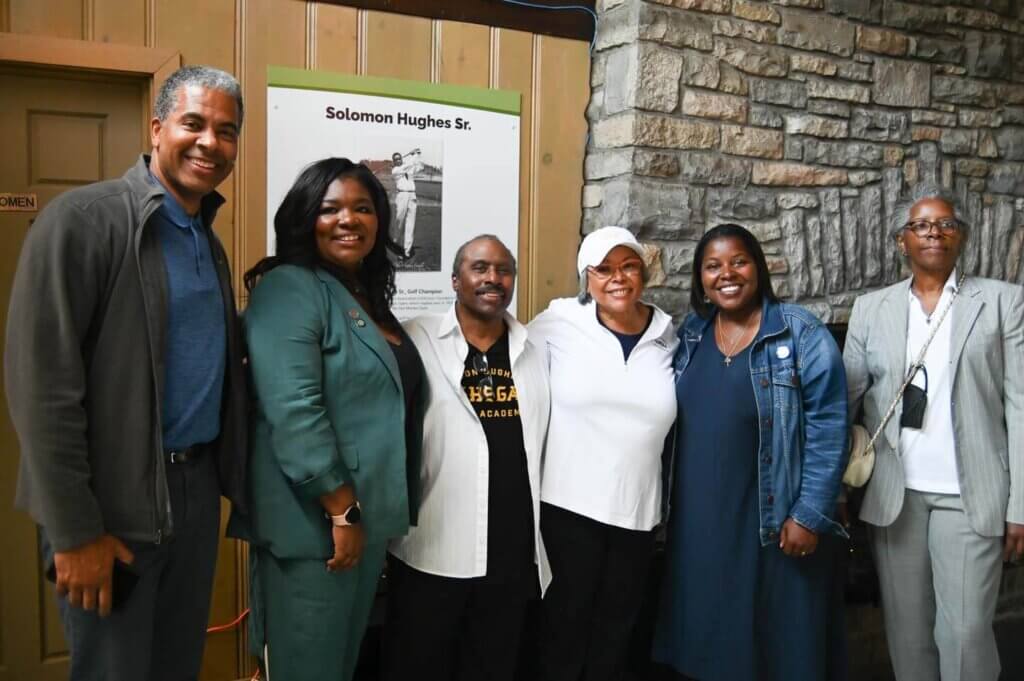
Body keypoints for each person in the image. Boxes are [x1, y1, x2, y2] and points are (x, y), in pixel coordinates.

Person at [4, 65, 248, 680]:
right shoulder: (83, 221)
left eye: (226, 131)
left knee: (175, 669)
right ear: (158, 125)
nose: (209, 143)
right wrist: (75, 532)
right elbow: (42, 392)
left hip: (191, 500)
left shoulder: (206, 240)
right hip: (108, 512)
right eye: (193, 123)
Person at [230, 157, 425, 681]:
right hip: (316, 525)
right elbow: (294, 411)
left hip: (361, 523)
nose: (349, 220)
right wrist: (343, 511)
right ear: (303, 218)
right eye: (330, 208)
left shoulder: (358, 295)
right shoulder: (291, 288)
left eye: (363, 208)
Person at [652, 223, 849, 681]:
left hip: (773, 519)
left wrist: (809, 514)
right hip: (700, 524)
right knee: (708, 640)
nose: (727, 274)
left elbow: (830, 426)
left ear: (757, 267)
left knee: (779, 649)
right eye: (713, 265)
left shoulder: (800, 333)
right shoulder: (693, 334)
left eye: (738, 261)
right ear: (700, 277)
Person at [844, 183, 1024, 681]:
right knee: (908, 635)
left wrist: (1021, 506)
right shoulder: (870, 308)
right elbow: (846, 400)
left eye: (946, 224)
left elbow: (1021, 404)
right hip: (893, 495)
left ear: (961, 237)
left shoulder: (1003, 302)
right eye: (921, 225)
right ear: (902, 241)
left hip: (971, 496)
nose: (934, 233)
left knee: (964, 635)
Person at [383, 235, 551, 681]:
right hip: (433, 547)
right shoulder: (415, 338)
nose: (492, 278)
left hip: (512, 552)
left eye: (503, 270)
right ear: (456, 280)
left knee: (492, 666)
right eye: (480, 268)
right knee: (418, 664)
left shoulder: (535, 350)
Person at [529, 225, 678, 681]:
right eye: (604, 269)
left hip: (636, 512)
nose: (618, 278)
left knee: (616, 632)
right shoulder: (556, 323)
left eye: (629, 266)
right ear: (586, 278)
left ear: (643, 273)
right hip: (567, 509)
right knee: (562, 628)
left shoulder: (669, 334)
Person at [391, 149, 422, 259]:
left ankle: (406, 251)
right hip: (402, 196)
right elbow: (408, 165)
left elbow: (419, 167)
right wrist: (413, 156)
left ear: (402, 159)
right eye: (396, 159)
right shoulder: (395, 170)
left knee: (410, 224)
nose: (398, 160)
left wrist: (418, 155)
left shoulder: (408, 169)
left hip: (412, 196)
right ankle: (395, 244)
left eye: (400, 158)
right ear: (394, 162)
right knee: (399, 221)